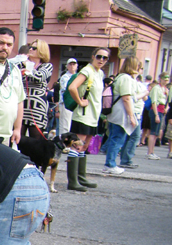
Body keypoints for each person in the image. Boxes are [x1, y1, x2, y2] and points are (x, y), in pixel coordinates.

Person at [67, 47, 109, 188]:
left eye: (105, 58)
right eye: (99, 56)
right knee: (77, 146)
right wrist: (79, 101)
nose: (101, 60)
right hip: (83, 115)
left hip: (93, 115)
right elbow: (72, 87)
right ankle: (73, 182)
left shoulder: (100, 73)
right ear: (93, 56)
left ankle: (81, 177)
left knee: (84, 146)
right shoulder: (87, 70)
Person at [102, 57, 146, 174]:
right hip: (121, 113)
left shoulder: (119, 77)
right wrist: (131, 116)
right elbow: (126, 98)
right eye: (138, 66)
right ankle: (110, 164)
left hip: (114, 113)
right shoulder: (126, 79)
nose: (139, 68)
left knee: (113, 138)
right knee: (117, 139)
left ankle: (109, 163)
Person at [21, 39, 53, 135]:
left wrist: (28, 67)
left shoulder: (47, 66)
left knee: (35, 142)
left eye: (34, 48)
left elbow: (39, 76)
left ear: (42, 51)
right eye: (30, 47)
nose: (30, 49)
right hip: (22, 105)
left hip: (37, 108)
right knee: (17, 140)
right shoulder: (21, 63)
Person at [147, 73, 169, 160]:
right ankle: (149, 152)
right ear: (160, 79)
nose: (166, 81)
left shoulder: (165, 89)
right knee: (153, 132)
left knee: (156, 133)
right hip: (156, 110)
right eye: (164, 79)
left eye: (167, 79)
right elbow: (154, 102)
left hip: (161, 110)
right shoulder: (156, 88)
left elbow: (166, 101)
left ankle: (152, 151)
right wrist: (156, 115)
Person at [58, 58, 78, 136]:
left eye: (74, 64)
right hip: (66, 103)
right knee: (65, 126)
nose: (72, 66)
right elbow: (67, 89)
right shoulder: (65, 77)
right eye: (70, 64)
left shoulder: (78, 76)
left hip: (75, 103)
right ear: (67, 66)